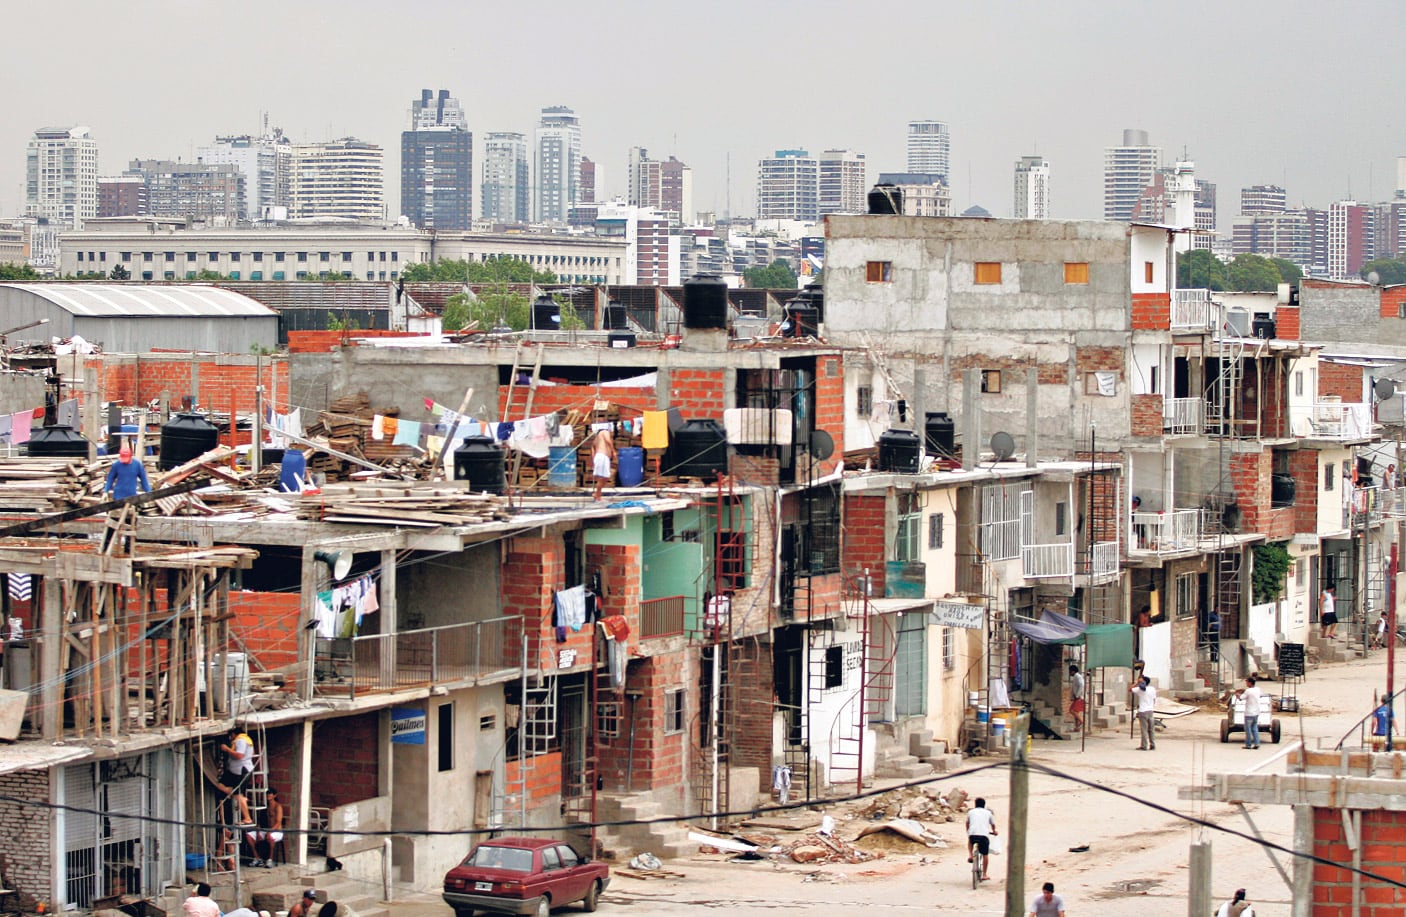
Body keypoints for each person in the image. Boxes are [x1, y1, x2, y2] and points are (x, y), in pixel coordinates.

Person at [219, 726, 255, 824]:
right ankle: (232, 793)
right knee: (221, 784)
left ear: (234, 734)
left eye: (231, 736)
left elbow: (239, 755)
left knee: (238, 795)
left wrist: (227, 749)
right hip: (235, 771)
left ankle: (247, 818)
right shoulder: (247, 739)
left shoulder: (240, 740)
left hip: (241, 771)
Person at [250, 786, 285, 867]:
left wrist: (270, 831)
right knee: (250, 835)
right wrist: (258, 830)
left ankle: (270, 860)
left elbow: (278, 822)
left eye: (270, 794)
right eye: (267, 794)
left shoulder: (278, 806)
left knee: (270, 836)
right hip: (266, 829)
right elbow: (260, 821)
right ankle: (257, 858)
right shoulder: (264, 806)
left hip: (277, 831)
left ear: (274, 795)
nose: (268, 795)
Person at [965, 796, 997, 881]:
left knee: (970, 840)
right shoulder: (988, 813)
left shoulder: (970, 812)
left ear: (975, 804)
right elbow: (993, 825)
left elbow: (967, 823)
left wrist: (968, 831)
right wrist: (994, 831)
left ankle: (970, 855)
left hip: (973, 834)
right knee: (985, 854)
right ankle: (984, 874)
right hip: (983, 835)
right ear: (984, 805)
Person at [590, 427, 616, 501]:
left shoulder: (595, 440)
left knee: (603, 477)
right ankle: (597, 495)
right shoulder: (604, 432)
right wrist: (613, 451)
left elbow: (593, 453)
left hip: (599, 457)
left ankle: (598, 495)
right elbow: (608, 441)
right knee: (604, 477)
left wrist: (594, 463)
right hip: (602, 456)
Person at [1132, 674, 1157, 751]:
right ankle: (1152, 744)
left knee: (1144, 730)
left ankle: (1144, 745)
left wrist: (1136, 682)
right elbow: (1154, 700)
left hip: (1143, 711)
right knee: (1151, 729)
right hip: (1150, 711)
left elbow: (1130, 689)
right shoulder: (1152, 689)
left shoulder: (1139, 690)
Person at [1240, 676, 1263, 750]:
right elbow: (1261, 695)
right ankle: (1257, 743)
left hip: (1249, 713)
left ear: (1250, 683)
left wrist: (1237, 695)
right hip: (1256, 712)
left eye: (1247, 682)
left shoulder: (1248, 691)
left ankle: (1248, 744)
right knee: (1254, 728)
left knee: (1248, 730)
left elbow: (1241, 698)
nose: (1246, 683)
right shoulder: (1258, 689)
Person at [1067, 664, 1085, 732]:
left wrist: (1077, 695)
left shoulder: (1077, 676)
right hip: (1077, 697)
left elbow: (1081, 685)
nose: (1069, 673)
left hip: (1079, 697)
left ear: (1073, 671)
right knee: (1075, 713)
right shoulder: (1076, 677)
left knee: (1072, 710)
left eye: (1070, 671)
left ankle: (1081, 722)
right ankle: (1077, 727)